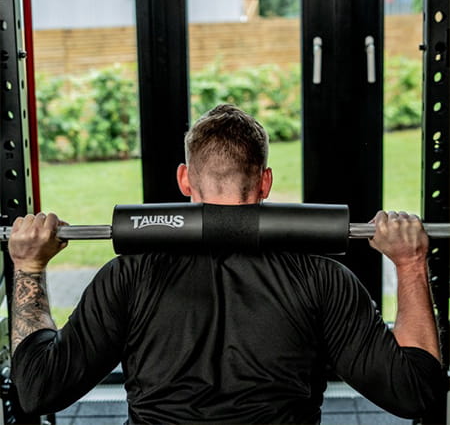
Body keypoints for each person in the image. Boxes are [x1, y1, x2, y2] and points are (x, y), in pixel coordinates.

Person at [10, 104, 442, 424]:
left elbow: (38, 388)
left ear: (185, 180)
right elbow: (415, 392)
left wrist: (29, 266)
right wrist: (410, 262)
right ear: (265, 181)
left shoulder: (128, 275)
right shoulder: (324, 278)